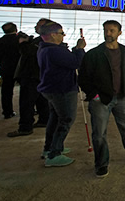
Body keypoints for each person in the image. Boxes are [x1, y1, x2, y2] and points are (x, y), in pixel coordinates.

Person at [78, 20, 125, 178]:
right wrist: (93, 94)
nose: (108, 33)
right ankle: (101, 164)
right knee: (99, 133)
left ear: (119, 33)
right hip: (100, 99)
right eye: (106, 30)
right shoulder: (94, 54)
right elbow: (83, 77)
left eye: (112, 30)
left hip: (122, 97)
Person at [37, 21, 86, 167]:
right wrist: (80, 49)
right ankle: (54, 154)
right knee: (66, 119)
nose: (63, 36)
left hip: (51, 88)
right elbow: (75, 63)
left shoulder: (44, 48)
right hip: (62, 89)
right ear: (52, 35)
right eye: (61, 33)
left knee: (55, 118)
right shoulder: (54, 51)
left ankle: (50, 147)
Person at [7, 19, 51, 137]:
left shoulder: (41, 41)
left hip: (31, 74)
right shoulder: (46, 40)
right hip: (41, 74)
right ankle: (43, 119)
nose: (35, 27)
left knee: (26, 102)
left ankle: (25, 127)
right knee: (41, 99)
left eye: (38, 25)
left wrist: (23, 43)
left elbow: (29, 52)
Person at [0, 22, 21, 119]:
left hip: (6, 69)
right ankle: (29, 110)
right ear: (16, 29)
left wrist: (1, 64)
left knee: (6, 91)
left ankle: (7, 112)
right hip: (21, 69)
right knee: (26, 91)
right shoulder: (20, 40)